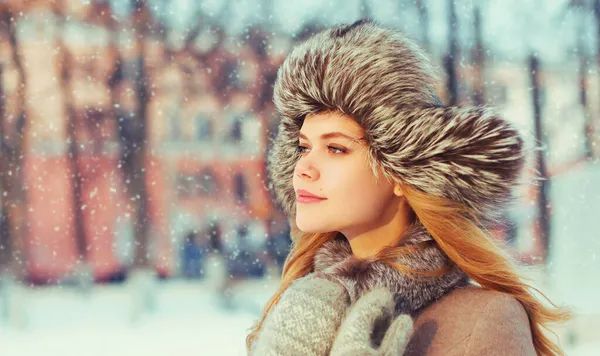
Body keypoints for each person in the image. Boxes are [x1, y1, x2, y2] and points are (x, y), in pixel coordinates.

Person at [246, 19, 572, 355]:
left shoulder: (485, 320)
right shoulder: (298, 308)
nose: (303, 169)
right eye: (303, 147)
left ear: (400, 173)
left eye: (336, 149)